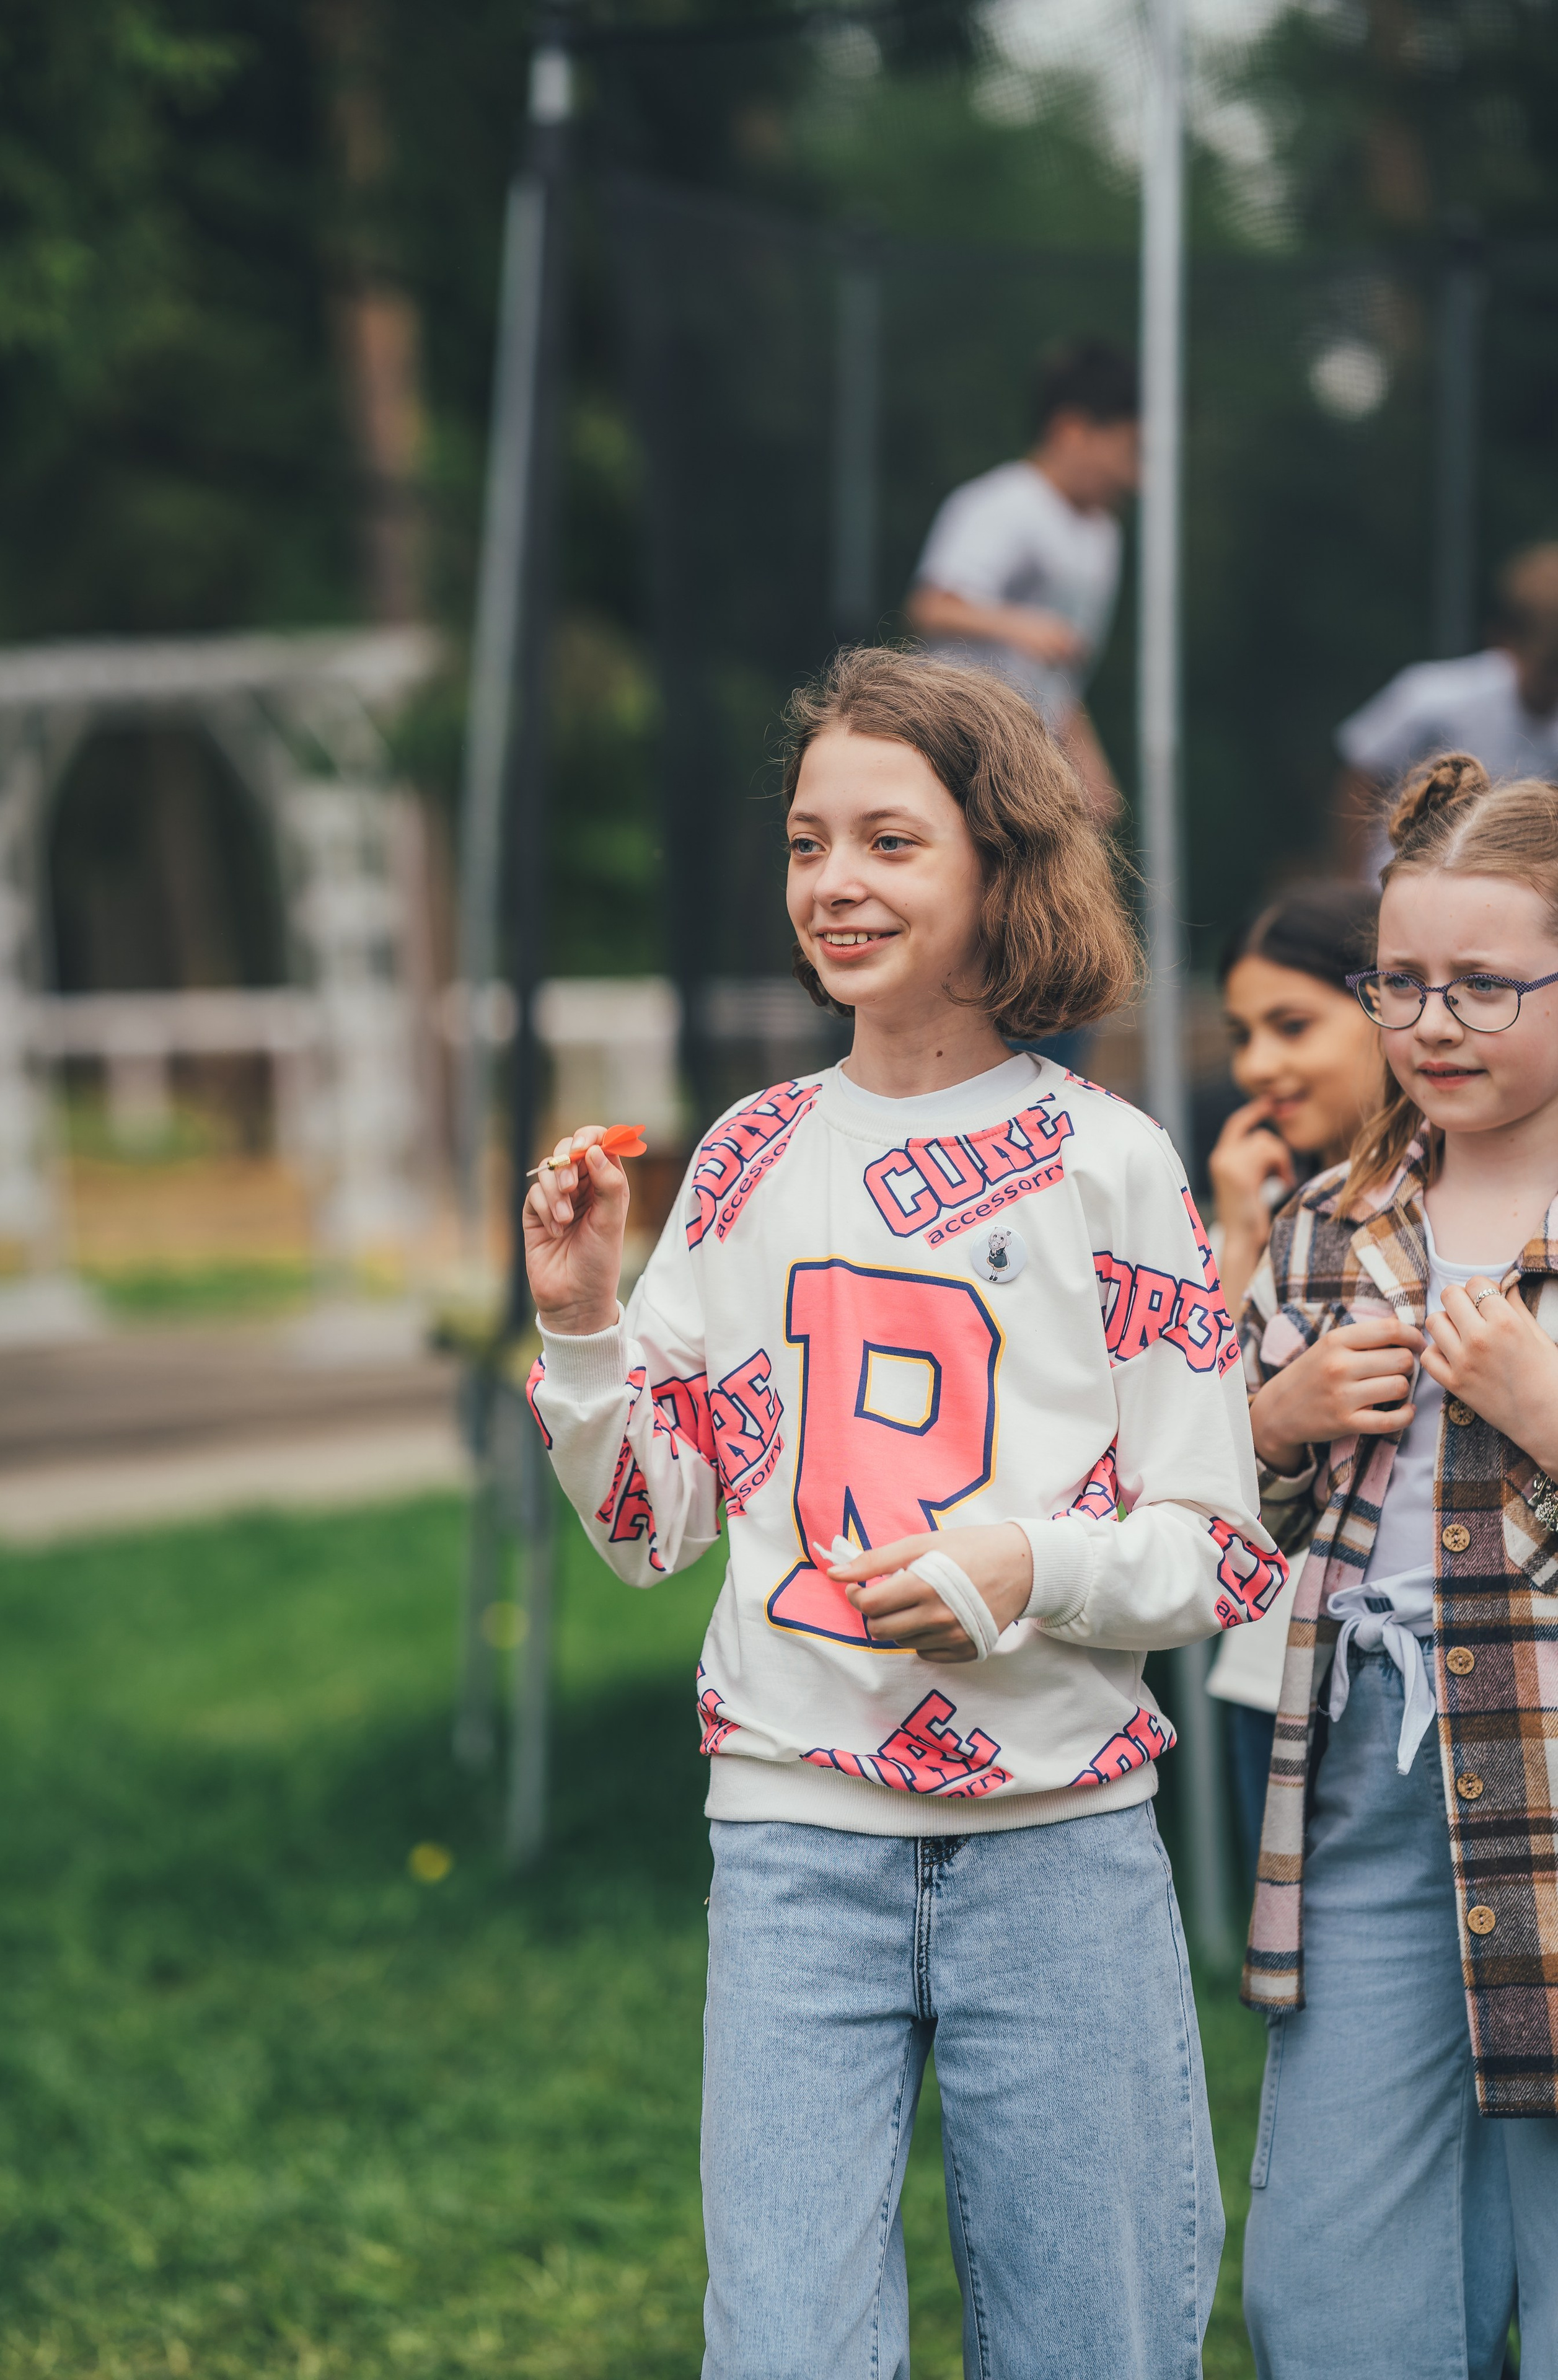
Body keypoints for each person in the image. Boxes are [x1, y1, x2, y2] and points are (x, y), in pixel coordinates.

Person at [523, 648, 1285, 2380]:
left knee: (1095, 2341)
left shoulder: (1112, 1163)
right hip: (792, 1848)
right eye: (807, 843)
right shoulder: (743, 1157)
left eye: (889, 840)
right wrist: (581, 1324)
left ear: (1000, 865)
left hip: (1061, 1850)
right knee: (783, 2346)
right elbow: (647, 1526)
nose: (834, 883)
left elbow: (1219, 1546)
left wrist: (1028, 1566)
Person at [1238, 750, 1558, 2378]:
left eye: (1484, 986)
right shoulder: (1326, 1225)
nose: (1434, 1023)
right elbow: (1219, 1527)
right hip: (1368, 1770)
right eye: (1401, 983)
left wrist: (1540, 1404)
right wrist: (1277, 1420)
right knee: (1330, 2284)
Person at [1203, 884, 1382, 1879]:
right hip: (1267, 1665)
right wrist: (1239, 1233)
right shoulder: (1261, 1219)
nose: (1257, 1066)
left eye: (1292, 1025)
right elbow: (1187, 1439)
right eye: (1244, 1035)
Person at [907, 335, 1138, 827]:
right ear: (1071, 430)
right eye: (1128, 450)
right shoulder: (1004, 504)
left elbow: (1052, 674)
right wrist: (1022, 625)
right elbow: (931, 606)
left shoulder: (1102, 533)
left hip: (1025, 751)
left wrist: (1085, 757)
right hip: (955, 744)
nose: (1135, 476)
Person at [1334, 542, 1558, 879]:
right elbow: (1362, 776)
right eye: (1550, 666)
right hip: (1402, 883)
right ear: (1508, 641)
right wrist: (1350, 882)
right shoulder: (1435, 697)